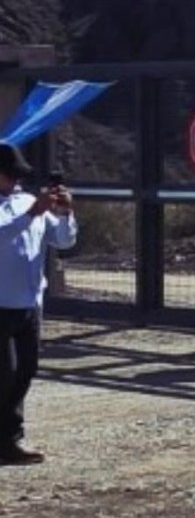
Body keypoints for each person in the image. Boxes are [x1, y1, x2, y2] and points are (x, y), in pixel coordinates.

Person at [0, 143, 76, 465]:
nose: (15, 181)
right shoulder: (28, 207)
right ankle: (7, 440)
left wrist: (65, 212)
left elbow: (64, 240)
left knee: (25, 371)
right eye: (10, 174)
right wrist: (34, 212)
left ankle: (9, 439)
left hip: (29, 303)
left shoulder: (28, 202)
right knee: (5, 374)